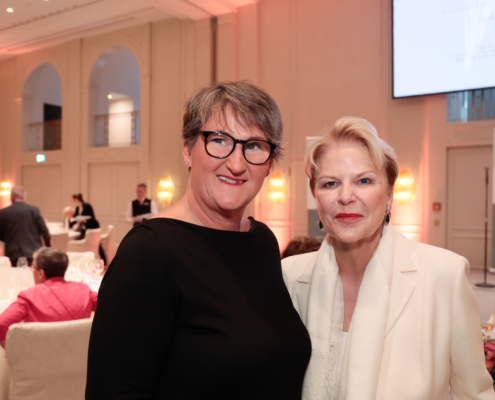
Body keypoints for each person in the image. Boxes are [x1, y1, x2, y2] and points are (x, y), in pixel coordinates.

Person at [86, 81, 311, 399]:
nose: (236, 164)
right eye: (219, 140)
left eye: (254, 146)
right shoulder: (149, 252)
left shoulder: (262, 241)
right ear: (188, 150)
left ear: (270, 164)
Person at [282, 116, 495, 400]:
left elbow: (475, 394)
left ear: (389, 194)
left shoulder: (445, 275)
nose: (345, 196)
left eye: (364, 181)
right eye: (330, 183)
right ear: (316, 198)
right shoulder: (289, 277)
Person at [0, 247, 97, 348]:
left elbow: (1, 325)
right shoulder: (84, 291)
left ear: (41, 273)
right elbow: (108, 309)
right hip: (81, 354)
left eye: (33, 268)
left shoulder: (29, 296)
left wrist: (12, 351)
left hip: (38, 356)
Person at [0, 186, 50, 266]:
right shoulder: (34, 210)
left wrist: (8, 239)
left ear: (11, 196)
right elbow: (44, 230)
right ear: (24, 197)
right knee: (32, 272)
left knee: (14, 272)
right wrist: (48, 246)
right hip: (33, 250)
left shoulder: (3, 212)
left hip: (13, 252)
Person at [70, 194, 106, 264]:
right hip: (85, 229)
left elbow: (91, 217)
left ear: (77, 199)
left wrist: (83, 220)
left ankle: (104, 261)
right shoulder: (77, 208)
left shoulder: (86, 205)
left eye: (73, 200)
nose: (72, 202)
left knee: (97, 244)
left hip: (92, 227)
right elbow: (76, 218)